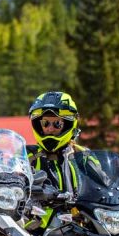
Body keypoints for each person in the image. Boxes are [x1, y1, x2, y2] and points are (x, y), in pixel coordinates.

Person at [25, 91, 85, 227]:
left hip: (77, 230)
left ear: (69, 124)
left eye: (57, 123)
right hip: (33, 232)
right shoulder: (26, 155)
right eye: (45, 123)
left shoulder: (84, 156)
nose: (50, 129)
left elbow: (105, 181)